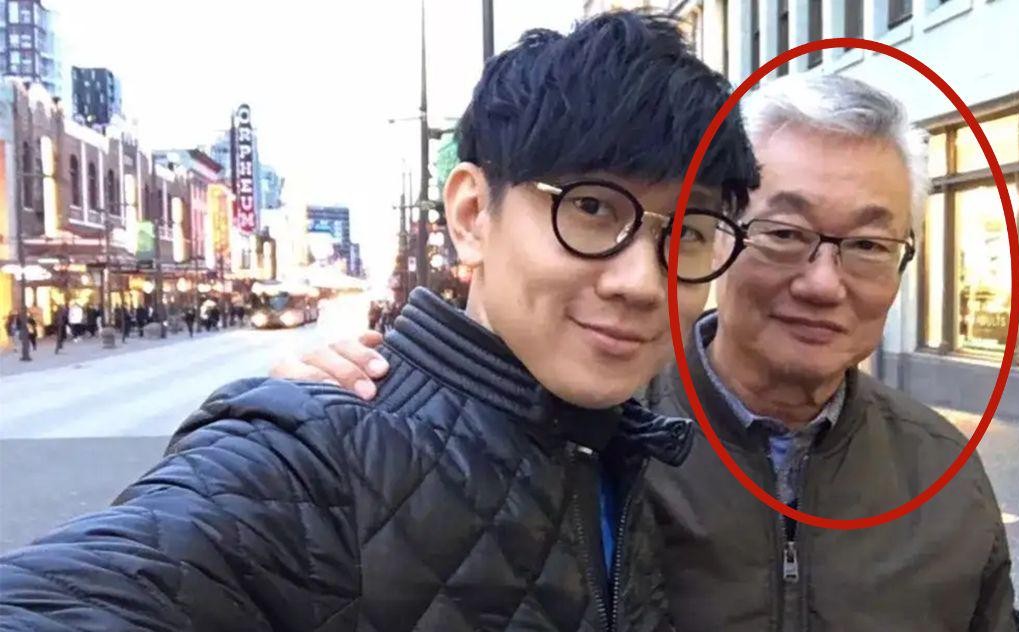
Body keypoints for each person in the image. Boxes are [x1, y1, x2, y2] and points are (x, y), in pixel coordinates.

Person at [0, 11, 758, 630]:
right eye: (590, 209)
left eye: (689, 233)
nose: (641, 282)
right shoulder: (310, 458)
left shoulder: (627, 445)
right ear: (471, 215)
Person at [280, 75, 1019, 631]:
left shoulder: (943, 470)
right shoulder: (586, 429)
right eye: (784, 234)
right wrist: (320, 411)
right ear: (712, 241)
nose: (823, 283)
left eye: (867, 245)